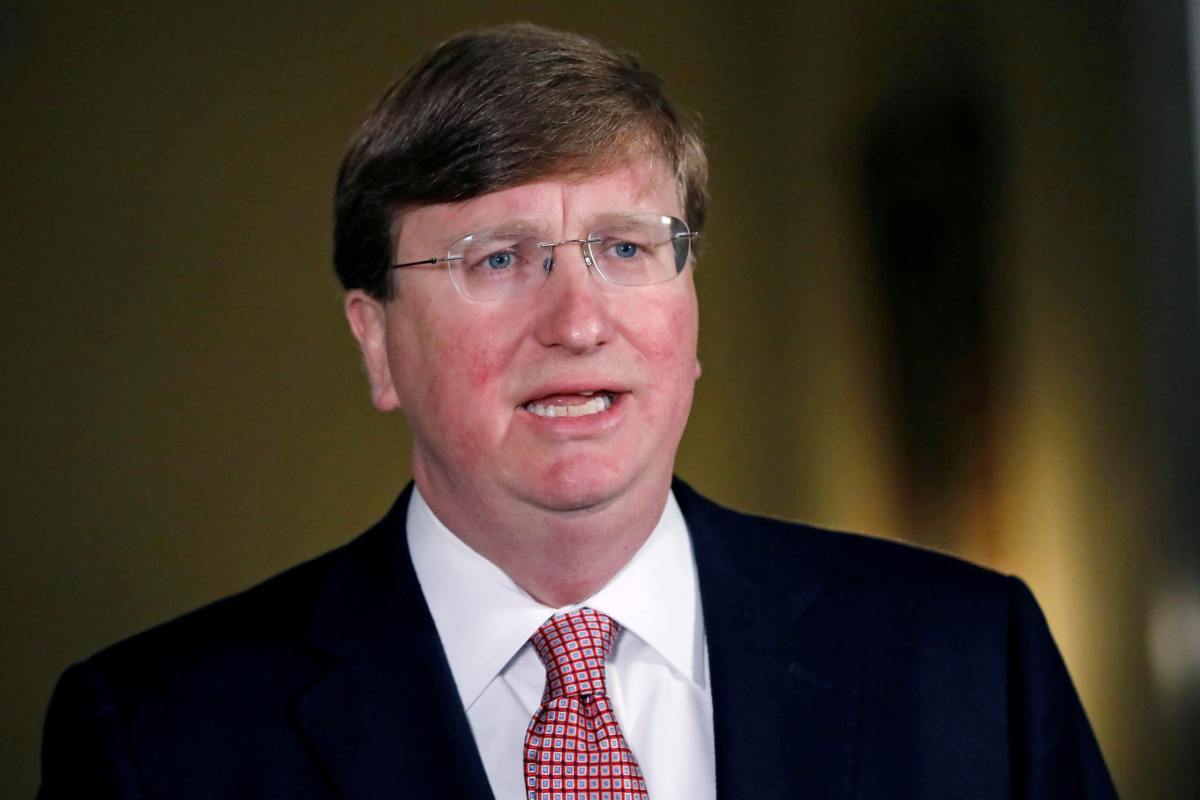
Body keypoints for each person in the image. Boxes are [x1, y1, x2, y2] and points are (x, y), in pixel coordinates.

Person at [39, 23, 1117, 800]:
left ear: (689, 311)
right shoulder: (159, 736)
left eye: (626, 247)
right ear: (377, 341)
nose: (577, 318)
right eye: (499, 257)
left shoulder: (973, 662)